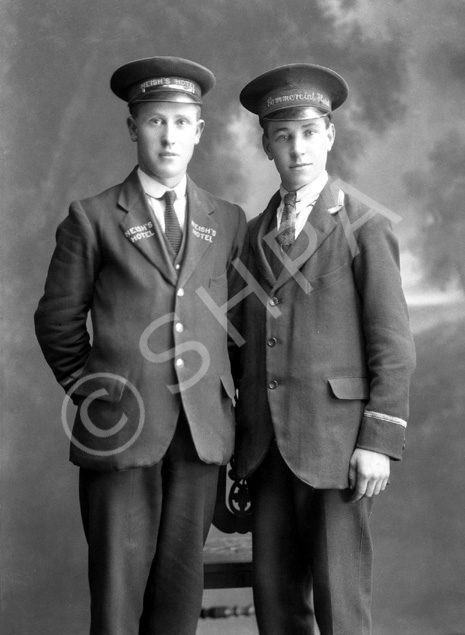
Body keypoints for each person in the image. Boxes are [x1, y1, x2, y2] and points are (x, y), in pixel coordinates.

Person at [34, 56, 248, 635]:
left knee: (179, 602)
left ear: (199, 130)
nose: (169, 135)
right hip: (121, 435)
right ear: (134, 128)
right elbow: (57, 322)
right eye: (156, 121)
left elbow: (237, 328)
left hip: (200, 438)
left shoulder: (227, 221)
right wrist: (99, 394)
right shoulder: (93, 218)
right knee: (118, 604)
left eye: (182, 121)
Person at [233, 63, 416, 635]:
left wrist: (379, 441)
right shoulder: (254, 233)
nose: (298, 148)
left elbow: (393, 343)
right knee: (277, 605)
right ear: (267, 146)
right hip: (266, 449)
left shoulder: (363, 226)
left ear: (330, 135)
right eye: (283, 136)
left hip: (337, 449)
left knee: (341, 605)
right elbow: (242, 342)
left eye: (309, 133)